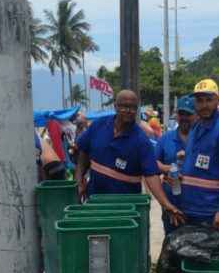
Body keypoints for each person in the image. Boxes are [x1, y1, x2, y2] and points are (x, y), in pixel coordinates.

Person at [75, 90, 184, 226]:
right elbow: (83, 152)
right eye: (123, 106)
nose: (128, 110)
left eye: (133, 107)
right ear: (115, 106)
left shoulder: (141, 140)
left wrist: (166, 204)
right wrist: (79, 181)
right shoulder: (98, 126)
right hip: (94, 203)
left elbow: (151, 176)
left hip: (124, 209)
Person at [179, 79, 219, 229]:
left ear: (217, 100)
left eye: (209, 100)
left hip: (210, 212)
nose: (204, 105)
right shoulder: (197, 127)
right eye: (200, 100)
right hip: (190, 208)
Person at [155, 95, 196, 235]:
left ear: (195, 115)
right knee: (172, 240)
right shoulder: (166, 138)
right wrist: (167, 168)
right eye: (181, 113)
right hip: (171, 202)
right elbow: (153, 163)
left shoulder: (202, 139)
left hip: (197, 204)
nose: (184, 117)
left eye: (188, 114)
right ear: (176, 115)